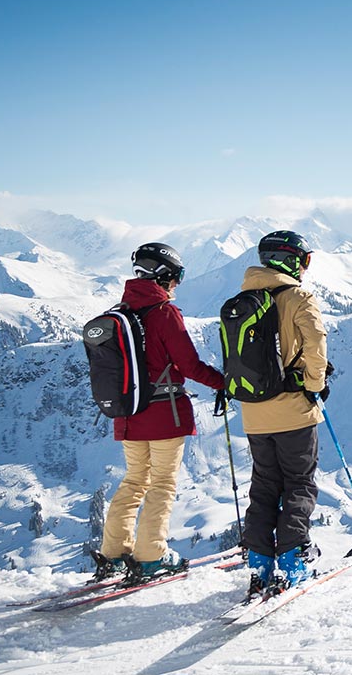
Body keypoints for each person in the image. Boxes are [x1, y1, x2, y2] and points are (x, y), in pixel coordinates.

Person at [97, 242, 225, 584]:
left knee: (134, 481)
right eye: (177, 276)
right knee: (163, 484)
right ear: (165, 275)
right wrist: (222, 382)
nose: (177, 284)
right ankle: (152, 555)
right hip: (163, 412)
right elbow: (190, 365)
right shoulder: (164, 313)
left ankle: (114, 554)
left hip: (128, 413)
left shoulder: (122, 311)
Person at [233, 230, 331, 594]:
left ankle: (259, 561)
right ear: (291, 261)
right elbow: (316, 345)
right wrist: (315, 385)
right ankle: (293, 556)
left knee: (263, 486)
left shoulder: (243, 298)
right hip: (293, 411)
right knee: (299, 482)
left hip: (254, 414)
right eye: (304, 261)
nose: (305, 269)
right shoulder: (298, 297)